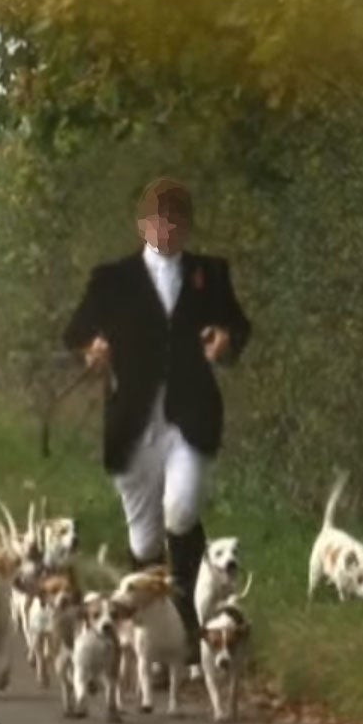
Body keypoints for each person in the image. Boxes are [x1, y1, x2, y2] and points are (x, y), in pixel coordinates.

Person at [62, 178, 251, 664]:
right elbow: (76, 331)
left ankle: (190, 621)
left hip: (190, 415)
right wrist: (93, 349)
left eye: (177, 222)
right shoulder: (112, 280)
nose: (167, 230)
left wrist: (226, 341)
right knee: (145, 539)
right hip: (132, 420)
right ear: (143, 225)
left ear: (188, 227)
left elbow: (237, 325)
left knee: (182, 511)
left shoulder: (211, 273)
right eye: (158, 221)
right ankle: (149, 631)